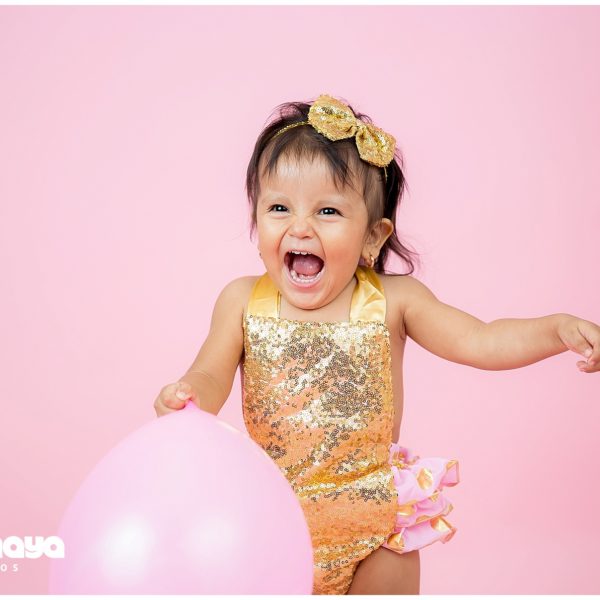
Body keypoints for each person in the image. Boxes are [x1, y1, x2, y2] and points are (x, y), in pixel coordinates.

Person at [154, 94, 599, 595]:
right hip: (274, 520)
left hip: (374, 521)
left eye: (327, 210)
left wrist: (555, 330)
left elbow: (482, 339)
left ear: (373, 236)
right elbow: (211, 373)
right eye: (279, 207)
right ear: (257, 224)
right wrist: (189, 395)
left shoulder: (393, 301)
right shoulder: (242, 301)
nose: (300, 226)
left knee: (389, 573)